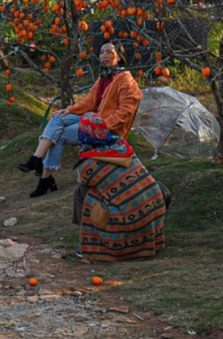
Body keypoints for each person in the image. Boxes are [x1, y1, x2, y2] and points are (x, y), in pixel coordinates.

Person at [19, 41, 142, 198]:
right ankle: (36, 159)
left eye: (109, 52)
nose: (104, 55)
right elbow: (89, 102)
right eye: (102, 52)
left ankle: (45, 178)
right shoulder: (104, 77)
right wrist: (70, 109)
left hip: (107, 128)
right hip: (92, 119)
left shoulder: (126, 80)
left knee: (61, 135)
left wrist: (103, 126)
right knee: (58, 117)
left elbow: (125, 112)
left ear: (119, 57)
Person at [66, 111, 169, 262]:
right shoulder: (123, 145)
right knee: (146, 187)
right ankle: (149, 237)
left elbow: (83, 181)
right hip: (154, 211)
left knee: (82, 191)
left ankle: (88, 240)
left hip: (130, 222)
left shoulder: (88, 165)